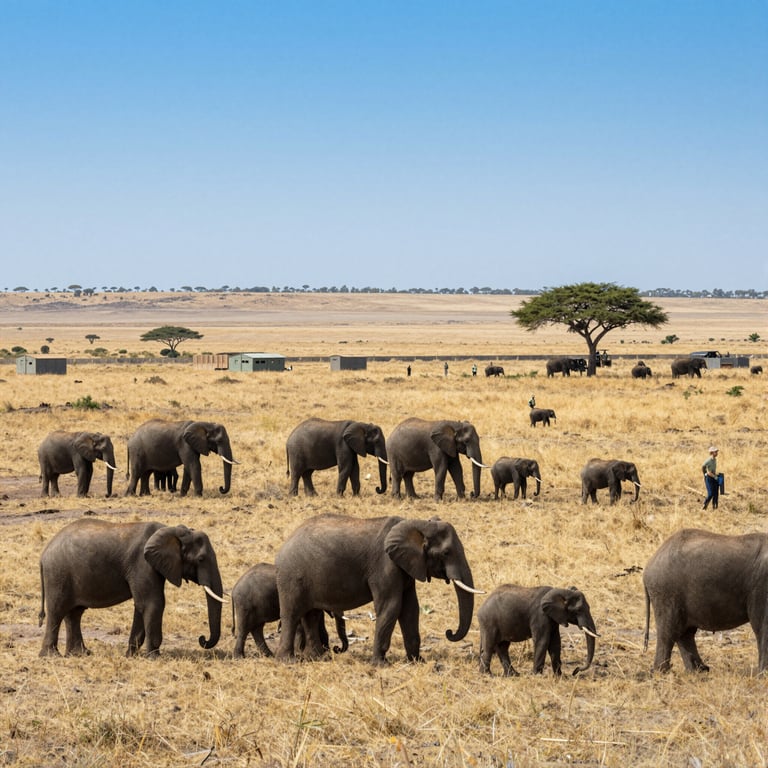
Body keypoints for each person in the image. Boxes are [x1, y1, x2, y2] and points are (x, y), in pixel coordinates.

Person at [702, 446, 721, 510]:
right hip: (709, 478)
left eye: (716, 452)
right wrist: (705, 474)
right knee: (710, 493)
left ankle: (714, 507)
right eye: (715, 452)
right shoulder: (709, 460)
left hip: (713, 477)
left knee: (716, 493)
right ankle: (705, 505)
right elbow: (704, 467)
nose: (717, 453)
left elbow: (713, 470)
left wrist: (716, 475)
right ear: (712, 453)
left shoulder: (714, 460)